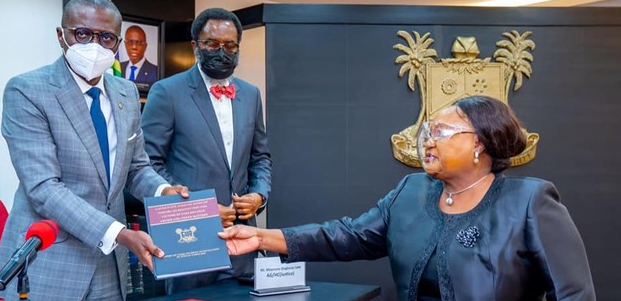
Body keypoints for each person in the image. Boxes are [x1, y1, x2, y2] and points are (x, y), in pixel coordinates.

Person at [219, 95, 596, 300]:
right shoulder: (411, 191)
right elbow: (348, 236)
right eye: (428, 131)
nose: (428, 140)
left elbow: (574, 293)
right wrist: (260, 237)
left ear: (480, 142)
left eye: (443, 131)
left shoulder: (530, 200)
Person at [0, 0, 188, 301]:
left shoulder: (126, 93)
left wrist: (165, 193)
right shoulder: (27, 90)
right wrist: (120, 234)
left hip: (110, 266)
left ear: (117, 43)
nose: (94, 45)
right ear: (61, 35)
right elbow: (44, 188)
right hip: (52, 260)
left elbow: (136, 168)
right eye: (82, 33)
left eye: (106, 37)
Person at [141, 7, 272, 293]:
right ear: (195, 46)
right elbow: (147, 165)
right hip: (188, 240)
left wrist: (259, 195)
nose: (221, 51)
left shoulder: (251, 94)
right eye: (212, 44)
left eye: (230, 45)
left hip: (242, 241)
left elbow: (259, 157)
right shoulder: (167, 92)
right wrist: (197, 207)